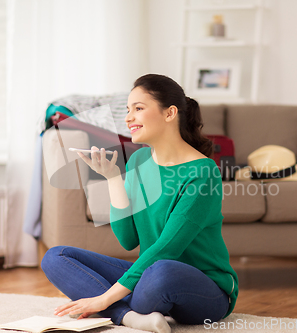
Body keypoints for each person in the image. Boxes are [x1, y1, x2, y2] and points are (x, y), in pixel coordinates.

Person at [41, 73, 239, 333]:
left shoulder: (203, 172)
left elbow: (167, 249)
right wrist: (112, 178)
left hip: (205, 290)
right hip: (151, 274)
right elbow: (128, 240)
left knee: (160, 272)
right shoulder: (139, 161)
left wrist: (103, 298)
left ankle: (117, 309)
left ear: (170, 113)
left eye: (138, 108)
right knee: (56, 257)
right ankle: (129, 317)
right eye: (127, 109)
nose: (128, 118)